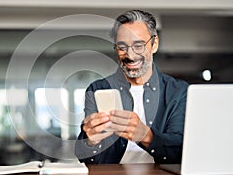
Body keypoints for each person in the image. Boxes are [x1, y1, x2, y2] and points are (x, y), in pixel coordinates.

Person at [75, 10, 189, 164]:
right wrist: (90, 142)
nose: (130, 55)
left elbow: (182, 151)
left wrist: (146, 136)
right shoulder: (97, 89)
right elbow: (83, 156)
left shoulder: (178, 92)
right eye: (122, 47)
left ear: (154, 44)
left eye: (138, 45)